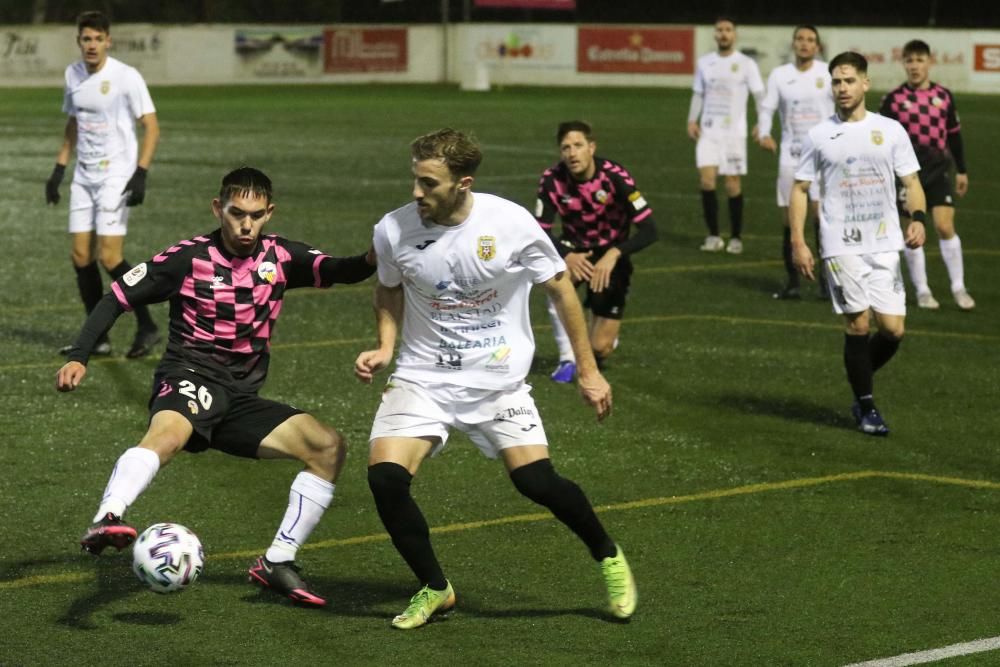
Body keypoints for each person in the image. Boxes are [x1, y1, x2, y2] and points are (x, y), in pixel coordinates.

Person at [353, 128, 636, 629]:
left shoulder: (510, 223)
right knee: (386, 478)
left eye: (429, 183)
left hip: (497, 381)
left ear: (463, 183)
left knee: (537, 482)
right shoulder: (393, 229)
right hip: (424, 378)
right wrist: (386, 346)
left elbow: (561, 290)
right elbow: (388, 288)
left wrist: (588, 372)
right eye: (415, 179)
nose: (417, 193)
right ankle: (435, 588)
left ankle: (607, 553)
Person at [56, 167, 377, 606]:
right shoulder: (187, 259)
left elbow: (342, 270)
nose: (246, 225)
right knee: (166, 437)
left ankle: (277, 561)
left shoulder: (279, 257)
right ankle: (107, 517)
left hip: (241, 398)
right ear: (217, 208)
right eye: (236, 213)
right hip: (190, 376)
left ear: (270, 213)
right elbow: (118, 296)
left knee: (327, 448)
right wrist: (80, 355)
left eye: (256, 215)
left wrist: (379, 253)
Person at [790, 52, 927, 436]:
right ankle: (866, 406)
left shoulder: (891, 130)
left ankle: (858, 374)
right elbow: (800, 189)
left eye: (849, 81)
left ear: (865, 83)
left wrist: (917, 219)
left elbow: (912, 184)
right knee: (858, 323)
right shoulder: (819, 135)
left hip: (884, 242)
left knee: (893, 330)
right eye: (836, 81)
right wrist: (799, 241)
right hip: (840, 243)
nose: (842, 88)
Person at [46, 11, 162, 359]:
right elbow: (74, 122)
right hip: (84, 176)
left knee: (109, 256)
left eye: (98, 39)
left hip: (116, 176)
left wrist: (141, 172)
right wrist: (58, 168)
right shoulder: (73, 74)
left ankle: (147, 326)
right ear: (78, 41)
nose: (92, 45)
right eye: (86, 39)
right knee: (81, 256)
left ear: (108, 41)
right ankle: (98, 337)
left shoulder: (126, 77)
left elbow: (152, 127)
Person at [534, 120, 659, 383]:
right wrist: (567, 255)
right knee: (556, 278)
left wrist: (614, 254)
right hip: (574, 250)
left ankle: (599, 336)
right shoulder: (552, 180)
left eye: (578, 145)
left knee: (599, 348)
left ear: (591, 148)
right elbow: (540, 229)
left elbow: (649, 230)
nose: (572, 153)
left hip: (611, 254)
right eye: (565, 147)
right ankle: (567, 359)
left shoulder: (615, 177)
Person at [879, 39, 975, 311]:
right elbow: (882, 139)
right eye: (909, 60)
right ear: (903, 64)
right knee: (912, 232)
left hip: (938, 171)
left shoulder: (944, 96)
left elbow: (954, 136)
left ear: (930, 62)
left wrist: (962, 170)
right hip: (907, 175)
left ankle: (958, 287)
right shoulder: (894, 99)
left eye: (920, 60)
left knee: (944, 226)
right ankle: (922, 289)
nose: (914, 66)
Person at [756, 25, 834, 299]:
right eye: (800, 39)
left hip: (823, 155)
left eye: (810, 40)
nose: (804, 44)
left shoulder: (827, 73)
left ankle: (827, 282)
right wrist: (763, 132)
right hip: (791, 155)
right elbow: (768, 107)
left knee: (821, 217)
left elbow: (844, 106)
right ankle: (792, 283)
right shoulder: (780, 75)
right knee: (790, 221)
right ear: (793, 44)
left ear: (817, 46)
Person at [687, 17, 765, 254]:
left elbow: (759, 95)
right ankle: (713, 236)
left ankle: (736, 237)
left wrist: (762, 123)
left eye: (728, 30)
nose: (724, 34)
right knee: (707, 181)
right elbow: (698, 94)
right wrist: (692, 119)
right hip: (708, 131)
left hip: (734, 134)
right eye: (720, 30)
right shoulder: (705, 63)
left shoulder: (746, 64)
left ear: (735, 35)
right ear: (715, 34)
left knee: (732, 184)